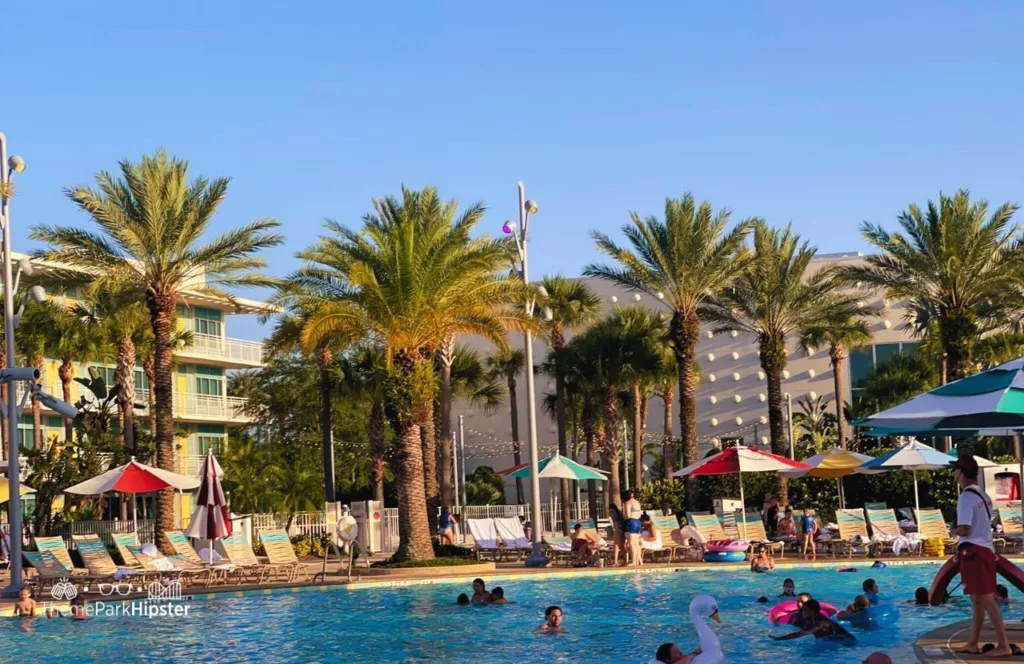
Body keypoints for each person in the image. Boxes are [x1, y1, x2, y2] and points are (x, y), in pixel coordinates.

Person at [951, 454, 1010, 657]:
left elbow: (965, 529)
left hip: (974, 553)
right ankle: (972, 643)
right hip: (985, 550)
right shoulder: (983, 496)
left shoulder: (966, 497)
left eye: (955, 470)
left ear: (961, 472)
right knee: (978, 600)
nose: (954, 474)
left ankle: (1004, 645)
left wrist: (953, 531)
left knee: (986, 599)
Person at [769, 599, 855, 644]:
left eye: (805, 610)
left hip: (847, 643)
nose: (802, 612)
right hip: (835, 642)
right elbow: (798, 633)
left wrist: (779, 639)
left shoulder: (822, 622)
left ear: (812, 612)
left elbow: (802, 633)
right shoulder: (810, 620)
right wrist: (779, 638)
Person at [622, 490, 644, 568]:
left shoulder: (627, 502)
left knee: (631, 543)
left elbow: (627, 514)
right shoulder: (637, 502)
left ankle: (633, 562)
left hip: (630, 522)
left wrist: (623, 515)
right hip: (638, 522)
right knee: (636, 543)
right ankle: (637, 561)